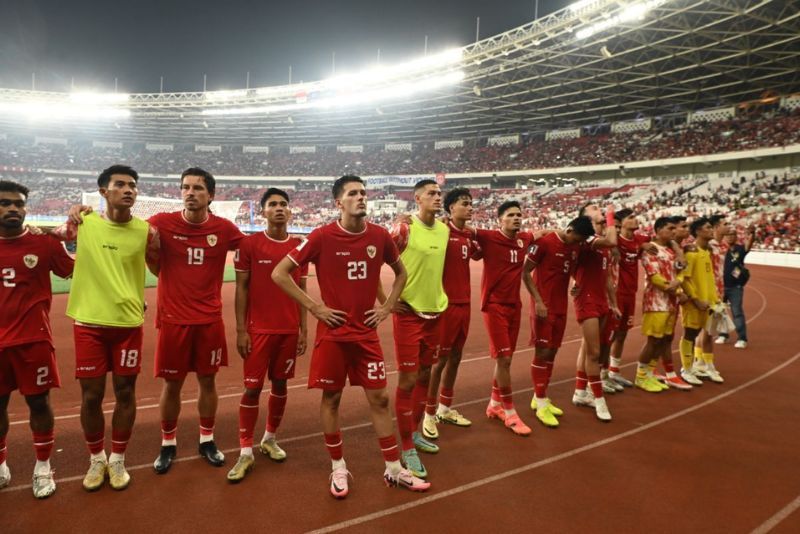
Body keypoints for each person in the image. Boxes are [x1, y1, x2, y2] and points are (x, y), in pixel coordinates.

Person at [272, 175, 428, 498]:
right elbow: (279, 273)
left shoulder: (379, 235)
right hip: (332, 336)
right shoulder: (321, 236)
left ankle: (394, 469)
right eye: (353, 194)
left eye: (363, 193)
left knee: (380, 398)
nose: (361, 198)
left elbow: (401, 273)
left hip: (366, 336)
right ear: (337, 203)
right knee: (331, 399)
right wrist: (315, 307)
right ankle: (338, 467)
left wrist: (385, 307)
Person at [57, 165, 159, 491]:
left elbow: (162, 266)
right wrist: (72, 214)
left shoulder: (147, 231)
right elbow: (47, 237)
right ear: (103, 191)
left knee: (126, 393)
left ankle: (117, 459)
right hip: (89, 324)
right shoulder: (83, 224)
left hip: (128, 325)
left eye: (133, 185)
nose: (128, 189)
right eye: (120, 184)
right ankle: (95, 458)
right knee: (91, 396)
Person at [150, 168, 244, 474]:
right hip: (174, 320)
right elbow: (123, 229)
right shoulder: (161, 223)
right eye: (185, 187)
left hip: (208, 320)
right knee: (172, 384)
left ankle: (207, 439)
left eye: (198, 188)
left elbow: (254, 249)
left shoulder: (224, 229)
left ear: (211, 195)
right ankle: (167, 443)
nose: (190, 192)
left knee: (208, 381)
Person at [226, 188, 308, 483]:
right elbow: (242, 289)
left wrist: (303, 330)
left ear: (290, 211)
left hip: (288, 331)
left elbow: (303, 290)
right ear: (262, 211)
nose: (278, 208)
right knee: (251, 389)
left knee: (281, 384)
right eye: (272, 204)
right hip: (258, 331)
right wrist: (240, 329)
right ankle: (245, 451)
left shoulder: (299, 247)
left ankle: (269, 438)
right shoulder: (250, 245)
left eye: (283, 204)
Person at [0, 181, 74, 499]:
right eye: (4, 203)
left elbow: (78, 272)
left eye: (18, 203)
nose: (13, 208)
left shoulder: (43, 244)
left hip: (33, 340)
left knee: (39, 403)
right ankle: (1, 463)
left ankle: (42, 467)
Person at [386, 179, 449, 478]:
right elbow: (374, 261)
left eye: (439, 193)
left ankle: (416, 431)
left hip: (436, 312)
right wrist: (386, 302)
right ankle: (407, 445)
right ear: (417, 198)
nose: (438, 197)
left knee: (426, 373)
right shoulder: (403, 229)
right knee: (408, 379)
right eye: (432, 194)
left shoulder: (445, 230)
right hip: (409, 314)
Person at [522, 216, 594, 428]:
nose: (577, 244)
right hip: (543, 307)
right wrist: (538, 301)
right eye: (576, 239)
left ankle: (540, 397)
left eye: (580, 242)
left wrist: (574, 282)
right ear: (569, 229)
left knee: (553, 351)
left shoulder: (575, 247)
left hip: (561, 306)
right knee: (542, 351)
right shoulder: (545, 243)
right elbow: (525, 272)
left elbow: (570, 268)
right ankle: (541, 400)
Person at [422, 188, 481, 441]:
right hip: (445, 305)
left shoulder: (468, 235)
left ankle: (445, 407)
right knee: (440, 360)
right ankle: (428, 413)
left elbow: (480, 252)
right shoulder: (441, 232)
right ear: (450, 208)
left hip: (465, 304)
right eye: (464, 204)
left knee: (456, 356)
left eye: (471, 204)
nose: (470, 208)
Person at [474, 201, 534, 436]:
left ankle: (494, 403)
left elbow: (543, 234)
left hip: (514, 305)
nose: (516, 218)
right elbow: (462, 228)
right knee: (505, 359)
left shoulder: (524, 239)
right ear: (500, 219)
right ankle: (509, 411)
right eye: (511, 215)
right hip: (494, 305)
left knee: (504, 360)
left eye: (519, 214)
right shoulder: (488, 237)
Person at [571, 203, 618, 422]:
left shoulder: (600, 246)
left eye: (600, 209)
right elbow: (611, 240)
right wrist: (610, 215)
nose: (598, 211)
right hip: (587, 300)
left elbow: (607, 277)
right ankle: (598, 398)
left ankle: (580, 392)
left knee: (587, 347)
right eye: (594, 210)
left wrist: (613, 302)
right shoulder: (589, 241)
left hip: (600, 300)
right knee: (594, 352)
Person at [636, 217, 692, 392]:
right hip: (656, 302)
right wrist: (675, 288)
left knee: (664, 339)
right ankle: (641, 376)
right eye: (670, 228)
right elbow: (654, 277)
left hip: (670, 303)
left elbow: (680, 269)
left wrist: (678, 283)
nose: (674, 232)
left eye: (675, 228)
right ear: (658, 230)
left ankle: (650, 373)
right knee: (653, 340)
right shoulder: (651, 249)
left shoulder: (670, 251)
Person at [607, 209, 654, 388]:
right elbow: (608, 225)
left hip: (630, 294)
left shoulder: (640, 240)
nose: (635, 220)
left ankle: (614, 371)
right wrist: (611, 212)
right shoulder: (615, 241)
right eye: (631, 218)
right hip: (616, 294)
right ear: (621, 223)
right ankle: (602, 375)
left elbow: (661, 241)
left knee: (622, 334)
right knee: (610, 336)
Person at [678, 217, 723, 385]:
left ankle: (701, 366)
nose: (712, 230)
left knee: (704, 334)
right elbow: (685, 278)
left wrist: (715, 299)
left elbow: (708, 279)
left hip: (709, 302)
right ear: (697, 231)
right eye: (708, 227)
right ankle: (686, 369)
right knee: (690, 334)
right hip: (695, 303)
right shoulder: (691, 252)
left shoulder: (706, 251)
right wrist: (696, 300)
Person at [719, 227, 755, 348]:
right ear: (723, 236)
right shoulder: (720, 250)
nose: (730, 236)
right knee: (720, 312)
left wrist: (752, 234)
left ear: (736, 236)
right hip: (720, 286)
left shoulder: (740, 249)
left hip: (735, 287)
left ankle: (742, 338)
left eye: (732, 234)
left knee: (737, 312)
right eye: (727, 234)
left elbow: (748, 244)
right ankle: (723, 334)